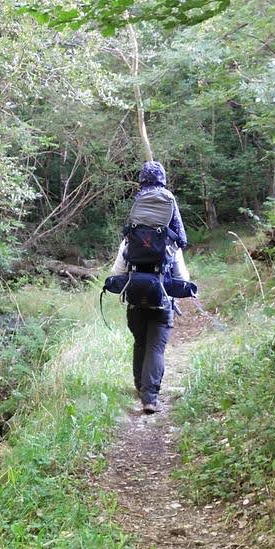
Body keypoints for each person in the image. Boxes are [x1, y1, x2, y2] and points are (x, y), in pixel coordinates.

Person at [110, 160, 189, 413]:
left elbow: (117, 272)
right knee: (155, 346)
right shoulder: (169, 239)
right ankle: (150, 398)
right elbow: (182, 271)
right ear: (163, 180)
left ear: (141, 181)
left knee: (140, 342)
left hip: (135, 298)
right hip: (162, 298)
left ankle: (139, 385)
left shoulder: (131, 235)